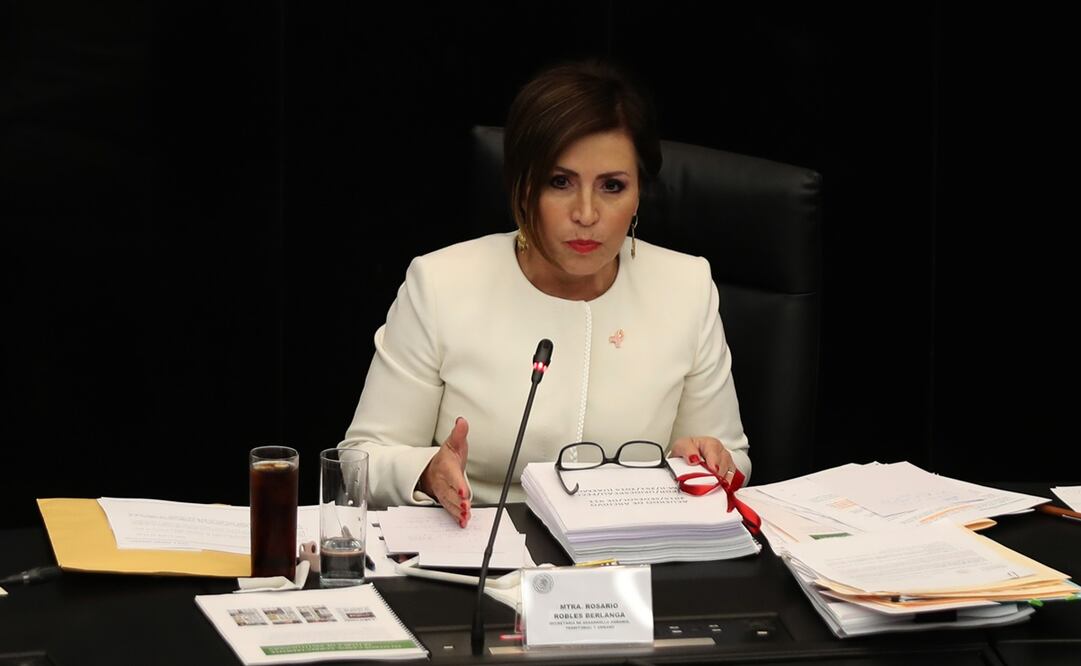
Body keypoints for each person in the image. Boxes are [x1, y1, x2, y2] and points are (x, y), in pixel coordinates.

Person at [339, 60, 750, 527]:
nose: (587, 213)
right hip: (480, 559)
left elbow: (730, 455)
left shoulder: (687, 287)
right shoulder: (439, 284)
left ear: (638, 196)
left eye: (612, 187)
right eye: (560, 183)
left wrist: (710, 460)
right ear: (522, 188)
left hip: (634, 558)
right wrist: (425, 472)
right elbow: (360, 461)